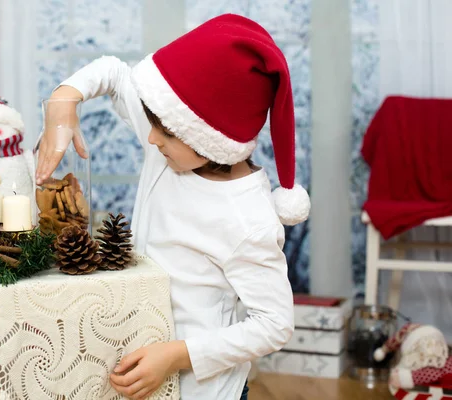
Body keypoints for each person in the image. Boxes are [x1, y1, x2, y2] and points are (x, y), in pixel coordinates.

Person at [36, 13, 310, 400]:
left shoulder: (247, 219)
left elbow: (275, 324)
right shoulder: (171, 143)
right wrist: (65, 98)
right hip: (144, 373)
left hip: (202, 391)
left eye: (163, 132)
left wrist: (176, 356)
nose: (150, 139)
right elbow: (114, 73)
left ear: (209, 140)